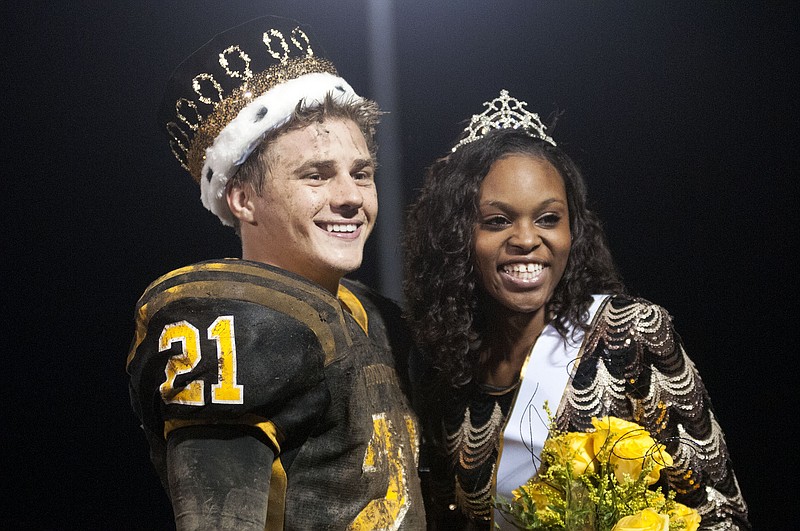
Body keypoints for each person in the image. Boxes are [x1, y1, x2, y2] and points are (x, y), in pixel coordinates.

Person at [126, 16, 425, 530]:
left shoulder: (379, 316)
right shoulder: (233, 322)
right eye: (316, 174)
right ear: (242, 198)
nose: (351, 197)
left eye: (361, 173)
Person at [403, 90, 750, 530]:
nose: (527, 239)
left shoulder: (630, 335)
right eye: (497, 221)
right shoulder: (444, 366)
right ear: (454, 238)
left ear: (574, 230)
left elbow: (721, 516)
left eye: (548, 218)